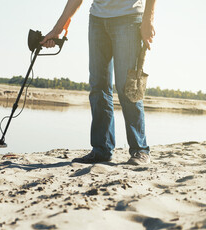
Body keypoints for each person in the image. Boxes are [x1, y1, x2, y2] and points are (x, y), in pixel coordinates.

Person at [41, 0, 156, 165]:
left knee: (128, 87)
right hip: (97, 20)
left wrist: (148, 19)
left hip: (129, 18)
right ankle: (101, 150)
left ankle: (140, 150)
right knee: (98, 87)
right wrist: (58, 29)